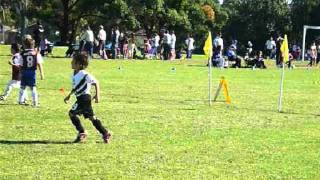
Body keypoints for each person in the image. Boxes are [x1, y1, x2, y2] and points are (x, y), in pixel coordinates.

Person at [64, 53, 111, 143]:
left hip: (84, 98)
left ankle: (82, 132)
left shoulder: (84, 74)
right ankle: (105, 133)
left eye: (73, 61)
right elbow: (76, 87)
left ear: (79, 64)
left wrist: (97, 95)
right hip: (80, 98)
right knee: (92, 117)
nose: (71, 62)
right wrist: (69, 95)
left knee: (72, 113)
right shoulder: (74, 74)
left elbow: (96, 82)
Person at [18, 35, 44, 107]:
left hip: (24, 72)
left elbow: (20, 64)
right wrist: (42, 73)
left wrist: (20, 73)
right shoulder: (36, 53)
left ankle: (20, 100)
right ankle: (35, 102)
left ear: (25, 45)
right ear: (33, 45)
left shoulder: (22, 54)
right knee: (33, 87)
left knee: (22, 86)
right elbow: (39, 64)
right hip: (32, 72)